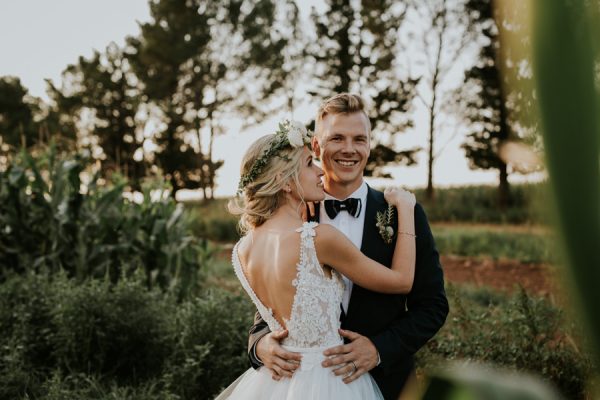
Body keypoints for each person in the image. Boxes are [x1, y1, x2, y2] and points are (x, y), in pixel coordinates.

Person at [248, 94, 449, 400]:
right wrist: (260, 344)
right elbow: (270, 308)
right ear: (315, 146)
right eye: (337, 138)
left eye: (360, 139)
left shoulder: (402, 214)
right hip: (303, 387)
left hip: (386, 384)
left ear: (369, 145)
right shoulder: (291, 218)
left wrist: (379, 349)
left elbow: (433, 305)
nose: (349, 149)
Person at [216, 119, 418, 400]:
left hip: (273, 384)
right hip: (330, 380)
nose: (320, 170)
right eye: (310, 164)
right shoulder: (317, 237)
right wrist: (407, 209)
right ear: (285, 182)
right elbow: (402, 281)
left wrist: (263, 345)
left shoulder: (242, 250)